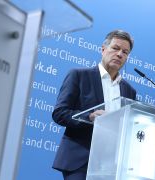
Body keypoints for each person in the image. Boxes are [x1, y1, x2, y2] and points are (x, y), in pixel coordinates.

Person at [52, 30, 137, 180]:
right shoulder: (79, 76)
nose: (119, 54)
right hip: (81, 161)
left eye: (125, 52)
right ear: (103, 49)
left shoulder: (129, 91)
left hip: (113, 166)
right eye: (115, 48)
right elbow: (59, 113)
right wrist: (89, 117)